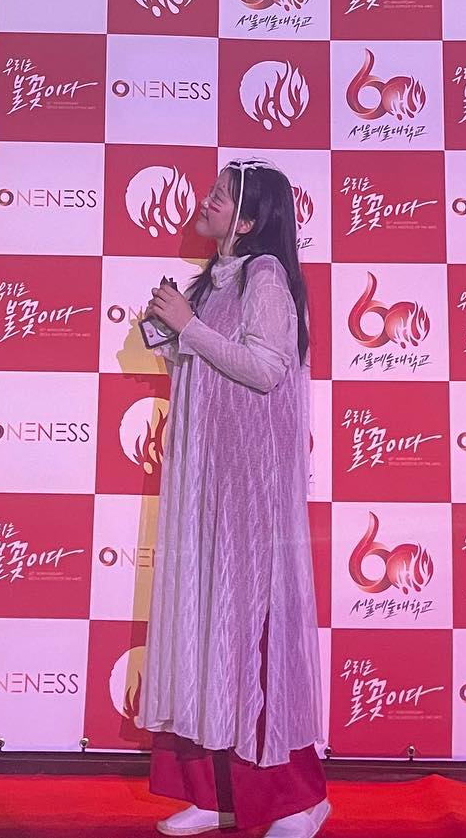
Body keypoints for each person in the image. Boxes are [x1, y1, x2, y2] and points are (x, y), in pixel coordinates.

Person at [137, 160, 329, 838]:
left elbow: (267, 369)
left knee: (251, 641)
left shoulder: (265, 276)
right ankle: (216, 796)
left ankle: (297, 800)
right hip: (204, 489)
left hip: (248, 495)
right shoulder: (214, 278)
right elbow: (202, 362)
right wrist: (170, 326)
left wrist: (189, 326)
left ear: (247, 220)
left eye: (219, 197)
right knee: (202, 634)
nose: (206, 201)